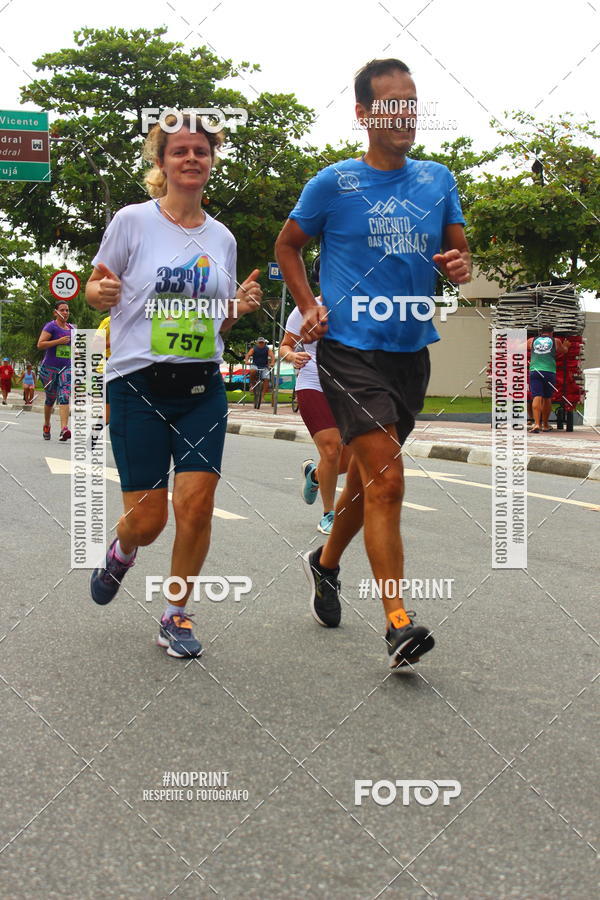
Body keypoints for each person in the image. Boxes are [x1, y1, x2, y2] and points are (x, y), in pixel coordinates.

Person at [275, 58, 471, 668]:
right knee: (387, 481)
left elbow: (457, 251)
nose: (405, 114)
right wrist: (308, 305)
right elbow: (288, 245)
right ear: (363, 112)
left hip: (410, 353)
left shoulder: (438, 179)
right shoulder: (334, 184)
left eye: (411, 102)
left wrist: (457, 267)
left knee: (367, 482)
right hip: (348, 351)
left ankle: (325, 563)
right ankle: (397, 621)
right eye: (392, 103)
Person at [85, 112, 261, 659]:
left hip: (201, 386)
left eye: (201, 151)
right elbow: (94, 285)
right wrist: (100, 295)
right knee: (149, 520)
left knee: (197, 504)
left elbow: (219, 319)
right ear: (161, 163)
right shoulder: (133, 222)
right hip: (137, 383)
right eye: (179, 150)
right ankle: (121, 550)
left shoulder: (222, 238)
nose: (191, 159)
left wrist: (239, 308)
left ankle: (176, 614)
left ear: (211, 163)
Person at [279, 257, 351, 535]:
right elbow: (285, 346)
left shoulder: (357, 306)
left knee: (350, 458)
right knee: (331, 449)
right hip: (313, 383)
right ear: (319, 279)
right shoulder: (305, 309)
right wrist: (292, 355)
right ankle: (329, 513)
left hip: (349, 388)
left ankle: (315, 475)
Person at [37, 301, 75, 440]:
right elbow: (40, 344)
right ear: (56, 312)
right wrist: (58, 341)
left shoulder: (72, 328)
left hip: (66, 368)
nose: (65, 312)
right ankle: (47, 424)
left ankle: (64, 429)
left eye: (67, 310)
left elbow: (75, 349)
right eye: (62, 310)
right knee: (50, 398)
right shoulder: (51, 326)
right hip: (49, 369)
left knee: (64, 395)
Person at [527, 325, 570, 433]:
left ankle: (536, 424)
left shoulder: (531, 340)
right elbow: (564, 351)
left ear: (541, 333)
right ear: (552, 333)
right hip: (549, 372)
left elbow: (519, 347)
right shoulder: (555, 341)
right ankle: (545, 424)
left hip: (535, 371)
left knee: (537, 396)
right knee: (547, 398)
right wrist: (566, 345)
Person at [244, 337, 274, 405]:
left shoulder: (267, 349)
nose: (261, 344)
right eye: (260, 342)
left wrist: (272, 363)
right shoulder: (254, 349)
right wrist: (246, 361)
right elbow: (248, 355)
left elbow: (272, 356)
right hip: (255, 365)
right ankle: (252, 385)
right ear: (257, 343)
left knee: (267, 379)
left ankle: (262, 396)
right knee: (252, 371)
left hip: (264, 366)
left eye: (262, 342)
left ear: (264, 343)